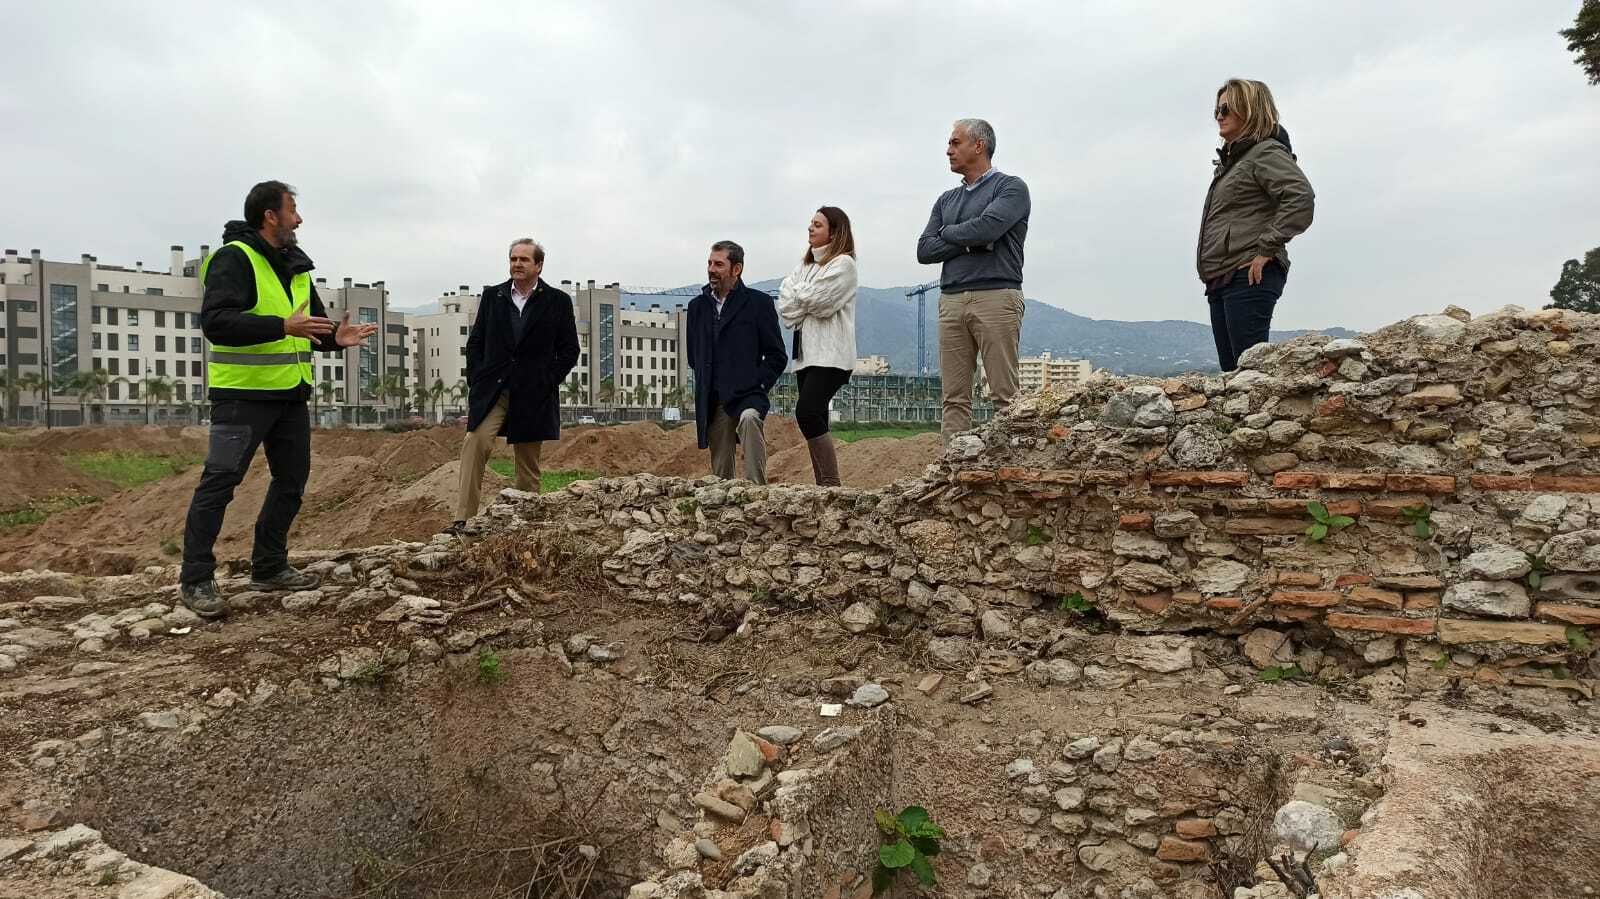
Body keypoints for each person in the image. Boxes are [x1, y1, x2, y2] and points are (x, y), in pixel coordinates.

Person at [179, 181, 378, 618]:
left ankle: (268, 566)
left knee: (291, 482)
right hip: (242, 396)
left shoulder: (297, 267)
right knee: (220, 483)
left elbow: (309, 327)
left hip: (290, 394)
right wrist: (280, 327)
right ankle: (195, 579)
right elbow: (217, 322)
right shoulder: (234, 258)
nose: (299, 219)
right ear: (270, 215)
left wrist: (335, 339)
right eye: (293, 210)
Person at [447, 239, 580, 535]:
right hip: (494, 389)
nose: (517, 264)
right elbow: (476, 342)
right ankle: (463, 519)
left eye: (524, 259)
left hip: (533, 393)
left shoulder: (557, 301)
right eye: (513, 259)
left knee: (528, 463)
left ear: (539, 265)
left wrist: (546, 380)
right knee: (475, 442)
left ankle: (527, 524)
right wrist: (477, 378)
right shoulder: (493, 296)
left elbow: (570, 350)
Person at [917, 118, 1030, 442]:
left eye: (955, 143)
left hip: (996, 294)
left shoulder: (1011, 188)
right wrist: (969, 240)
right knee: (953, 398)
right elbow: (925, 250)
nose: (948, 150)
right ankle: (952, 472)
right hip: (951, 299)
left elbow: (989, 228)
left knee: (1005, 396)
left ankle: (1012, 469)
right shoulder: (945, 200)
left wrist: (949, 235)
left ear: (978, 145)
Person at [1197, 78, 1315, 371]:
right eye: (1216, 110)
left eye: (1227, 108)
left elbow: (1300, 197)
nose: (1219, 116)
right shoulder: (1234, 162)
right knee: (1234, 377)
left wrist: (1267, 249)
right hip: (1223, 276)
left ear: (1249, 109)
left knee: (1250, 376)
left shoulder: (1264, 152)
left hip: (1248, 273)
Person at [686, 241, 787, 484]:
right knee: (720, 473)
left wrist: (757, 384)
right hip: (714, 400)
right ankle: (723, 512)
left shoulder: (758, 304)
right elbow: (693, 356)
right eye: (710, 263)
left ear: (736, 269)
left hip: (748, 394)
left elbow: (777, 356)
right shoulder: (697, 308)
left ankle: (756, 493)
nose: (711, 269)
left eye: (719, 264)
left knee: (751, 419)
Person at [778, 206, 858, 486]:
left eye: (817, 225)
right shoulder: (803, 267)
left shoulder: (844, 265)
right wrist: (805, 299)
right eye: (810, 224)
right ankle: (822, 486)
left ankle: (831, 484)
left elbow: (823, 305)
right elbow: (786, 306)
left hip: (832, 356)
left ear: (834, 232)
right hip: (805, 356)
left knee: (807, 412)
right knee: (818, 416)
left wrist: (801, 297)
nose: (810, 229)